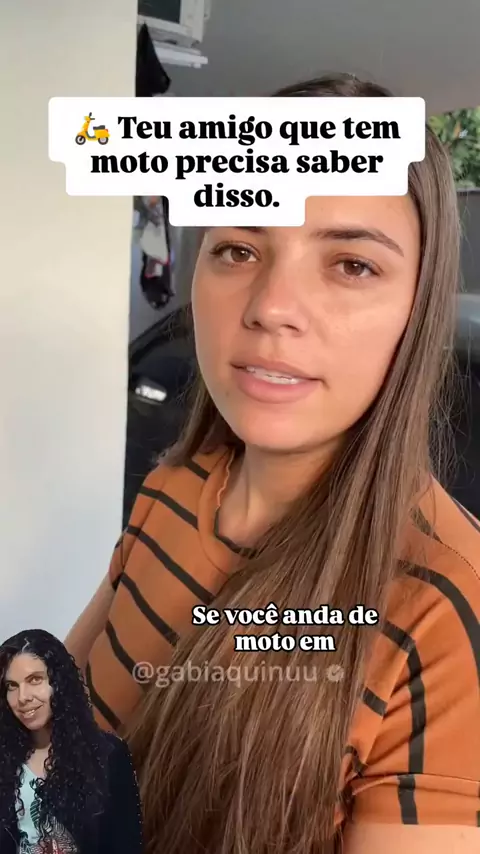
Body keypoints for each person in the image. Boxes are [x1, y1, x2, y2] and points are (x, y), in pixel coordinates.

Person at [65, 73, 480, 854]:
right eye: (239, 248)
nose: (269, 307)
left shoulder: (445, 613)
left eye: (351, 264)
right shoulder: (172, 487)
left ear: (418, 308)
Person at [0, 629, 143, 853]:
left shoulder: (108, 754)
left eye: (35, 680)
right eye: (12, 686)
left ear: (59, 682)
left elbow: (127, 844)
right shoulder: (4, 760)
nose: (22, 697)